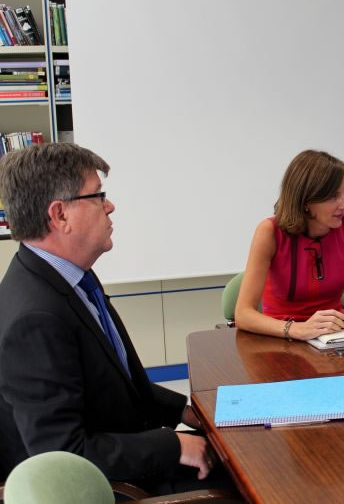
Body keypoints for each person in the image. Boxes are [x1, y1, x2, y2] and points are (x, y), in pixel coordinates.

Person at [0, 143, 234, 496]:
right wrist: (174, 446)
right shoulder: (35, 318)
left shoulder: (69, 276)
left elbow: (114, 385)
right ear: (59, 215)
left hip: (129, 445)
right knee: (263, 476)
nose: (110, 206)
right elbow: (63, 452)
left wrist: (185, 412)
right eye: (97, 196)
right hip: (114, 485)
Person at [235, 149, 344, 340]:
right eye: (333, 196)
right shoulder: (269, 232)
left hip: (335, 339)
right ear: (306, 200)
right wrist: (297, 329)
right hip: (280, 341)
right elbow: (243, 315)